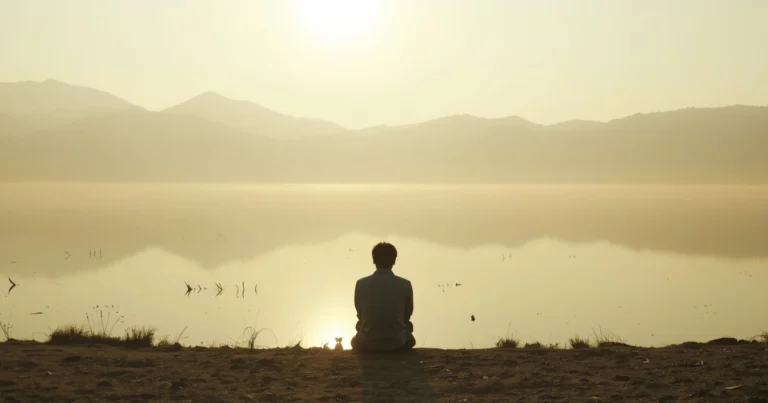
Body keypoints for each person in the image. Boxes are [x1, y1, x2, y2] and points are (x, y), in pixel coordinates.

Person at [351, 242, 416, 352]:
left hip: (367, 342)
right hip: (397, 342)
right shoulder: (405, 284)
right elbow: (407, 315)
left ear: (373, 260)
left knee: (356, 337)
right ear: (394, 260)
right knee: (409, 333)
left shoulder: (361, 284)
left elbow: (360, 314)